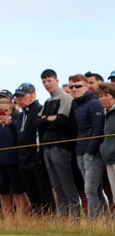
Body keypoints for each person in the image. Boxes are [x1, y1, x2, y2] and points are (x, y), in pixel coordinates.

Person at [35, 69, 79, 218]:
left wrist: (46, 119)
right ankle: (63, 219)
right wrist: (49, 118)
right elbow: (36, 123)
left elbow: (61, 121)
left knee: (67, 186)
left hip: (61, 147)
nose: (47, 84)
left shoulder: (65, 98)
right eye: (44, 82)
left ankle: (75, 220)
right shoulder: (47, 101)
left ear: (56, 80)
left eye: (49, 80)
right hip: (47, 147)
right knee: (57, 187)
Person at [68, 74, 108, 219]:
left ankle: (94, 223)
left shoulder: (94, 102)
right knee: (95, 190)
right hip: (81, 151)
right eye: (71, 86)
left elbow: (98, 128)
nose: (74, 89)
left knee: (90, 191)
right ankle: (103, 222)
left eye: (78, 86)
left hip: (92, 153)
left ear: (86, 86)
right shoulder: (77, 104)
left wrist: (91, 150)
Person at [14, 82, 55, 215]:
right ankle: (38, 219)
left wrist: (39, 156)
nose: (19, 99)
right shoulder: (21, 115)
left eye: (22, 96)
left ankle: (49, 218)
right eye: (18, 97)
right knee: (31, 192)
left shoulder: (39, 109)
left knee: (43, 191)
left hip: (36, 158)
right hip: (23, 159)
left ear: (32, 95)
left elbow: (41, 134)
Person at [0, 98, 30, 220]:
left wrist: (10, 124)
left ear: (10, 111)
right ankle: (9, 219)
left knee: (18, 192)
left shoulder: (15, 125)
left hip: (13, 163)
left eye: (5, 110)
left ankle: (23, 219)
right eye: (0, 110)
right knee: (3, 193)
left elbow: (19, 138)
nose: (3, 113)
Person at [95, 83, 115, 191]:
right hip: (109, 159)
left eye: (106, 95)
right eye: (100, 96)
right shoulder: (106, 113)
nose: (103, 98)